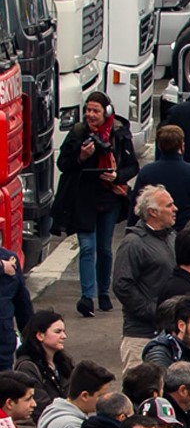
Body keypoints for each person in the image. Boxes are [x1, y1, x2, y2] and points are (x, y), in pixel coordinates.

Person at [56, 94, 140, 321]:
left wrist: (116, 176)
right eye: (88, 110)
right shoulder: (77, 133)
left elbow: (133, 166)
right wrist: (81, 157)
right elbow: (63, 164)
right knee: (87, 247)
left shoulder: (120, 133)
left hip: (109, 197)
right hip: (83, 197)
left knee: (104, 248)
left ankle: (104, 292)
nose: (90, 115)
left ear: (107, 113)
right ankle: (87, 297)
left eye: (96, 111)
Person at [111, 186, 180, 369]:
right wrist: (153, 312)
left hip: (169, 334)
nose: (175, 209)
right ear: (152, 212)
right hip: (140, 337)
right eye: (169, 205)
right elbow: (122, 285)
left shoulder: (172, 238)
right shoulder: (133, 243)